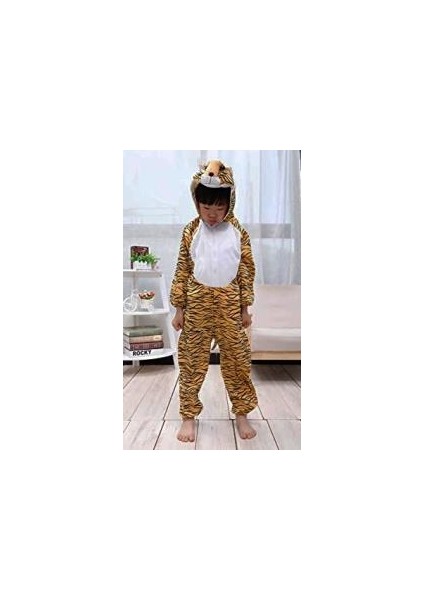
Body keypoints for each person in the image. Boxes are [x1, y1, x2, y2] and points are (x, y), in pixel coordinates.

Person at [170, 159, 259, 443]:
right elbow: (182, 268)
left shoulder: (238, 232)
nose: (212, 214)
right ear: (196, 204)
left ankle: (242, 413)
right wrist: (179, 308)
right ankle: (188, 416)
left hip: (229, 304)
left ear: (229, 204)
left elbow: (246, 270)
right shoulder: (191, 230)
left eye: (219, 208)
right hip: (196, 302)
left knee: (237, 360)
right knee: (191, 361)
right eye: (206, 208)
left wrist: (245, 308)